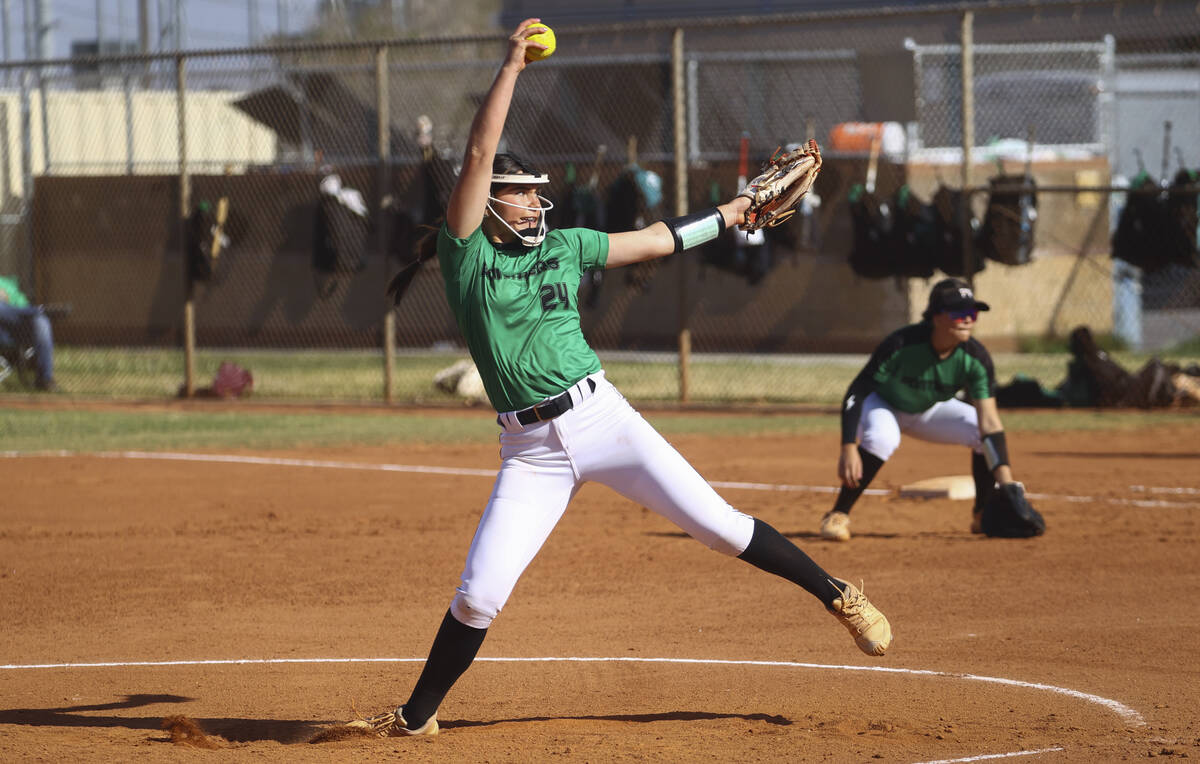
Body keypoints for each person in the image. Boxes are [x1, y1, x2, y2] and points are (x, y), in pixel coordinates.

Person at [348, 18, 891, 739]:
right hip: (530, 452)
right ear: (488, 204)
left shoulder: (568, 245)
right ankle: (417, 717)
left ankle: (837, 595)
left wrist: (730, 215)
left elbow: (660, 238)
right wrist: (512, 64)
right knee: (479, 595)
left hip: (603, 419)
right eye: (520, 193)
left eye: (537, 192)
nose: (536, 201)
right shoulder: (466, 258)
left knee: (720, 528)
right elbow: (479, 151)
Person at [819, 277, 1022, 542]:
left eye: (972, 313)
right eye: (959, 313)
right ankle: (837, 514)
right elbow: (858, 390)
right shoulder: (902, 344)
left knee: (976, 426)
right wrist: (848, 446)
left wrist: (1006, 483)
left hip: (929, 409)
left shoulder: (975, 357)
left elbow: (990, 423)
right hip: (883, 404)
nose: (968, 320)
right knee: (882, 438)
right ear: (936, 317)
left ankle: (981, 515)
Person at [0, 274, 58, 392]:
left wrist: (8, 299)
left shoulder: (7, 284)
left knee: (41, 321)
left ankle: (45, 379)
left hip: (18, 331)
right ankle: (40, 310)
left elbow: (23, 303)